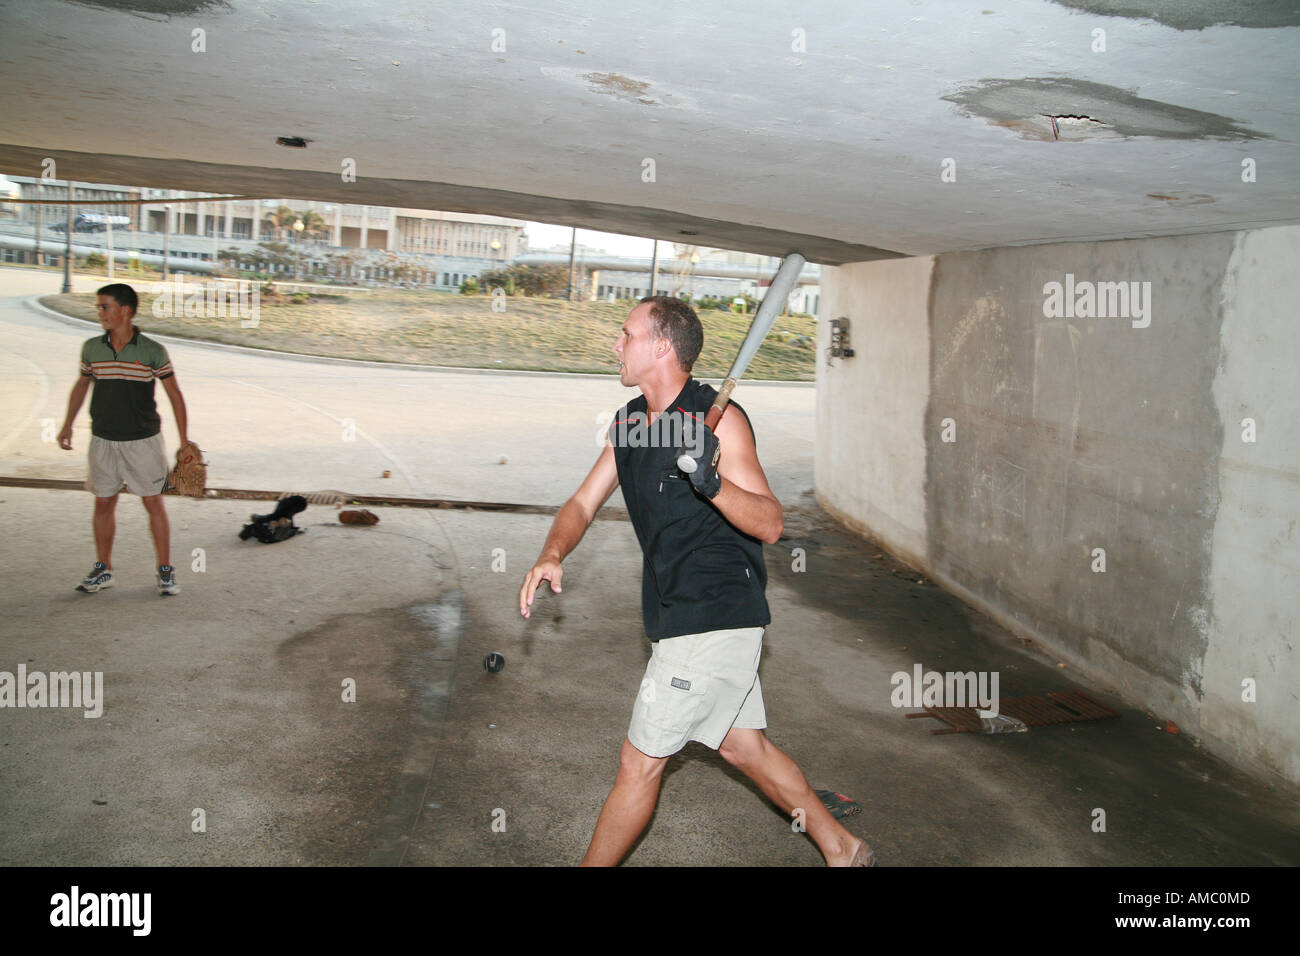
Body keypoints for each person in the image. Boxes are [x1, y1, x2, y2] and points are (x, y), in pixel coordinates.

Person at [519, 295, 875, 866]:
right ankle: (843, 847)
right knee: (745, 749)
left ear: (661, 347)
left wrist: (711, 481)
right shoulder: (633, 422)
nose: (617, 343)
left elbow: (772, 523)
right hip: (674, 612)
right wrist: (552, 552)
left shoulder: (721, 419)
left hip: (713, 614)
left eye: (626, 334)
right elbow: (583, 503)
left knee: (640, 765)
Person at [57, 283, 190, 596]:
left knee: (152, 502)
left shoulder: (152, 351)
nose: (100, 313)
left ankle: (165, 571)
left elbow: (174, 394)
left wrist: (184, 440)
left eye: (105, 307)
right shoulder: (92, 348)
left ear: (126, 311)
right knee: (103, 502)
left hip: (143, 440)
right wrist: (67, 425)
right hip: (103, 439)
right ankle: (103, 569)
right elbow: (81, 386)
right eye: (99, 307)